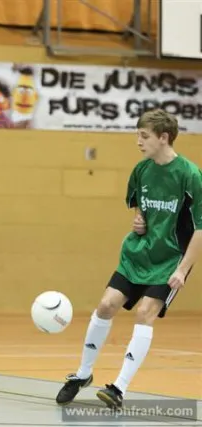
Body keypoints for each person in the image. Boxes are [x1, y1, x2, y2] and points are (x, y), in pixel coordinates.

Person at [55, 109, 202, 408]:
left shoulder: (190, 175)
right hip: (137, 253)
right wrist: (140, 220)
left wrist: (182, 270)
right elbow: (138, 206)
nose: (138, 141)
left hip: (170, 260)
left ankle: (118, 388)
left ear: (164, 138)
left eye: (144, 136)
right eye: (138, 135)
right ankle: (82, 374)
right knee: (106, 305)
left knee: (145, 313)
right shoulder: (141, 170)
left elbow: (200, 228)